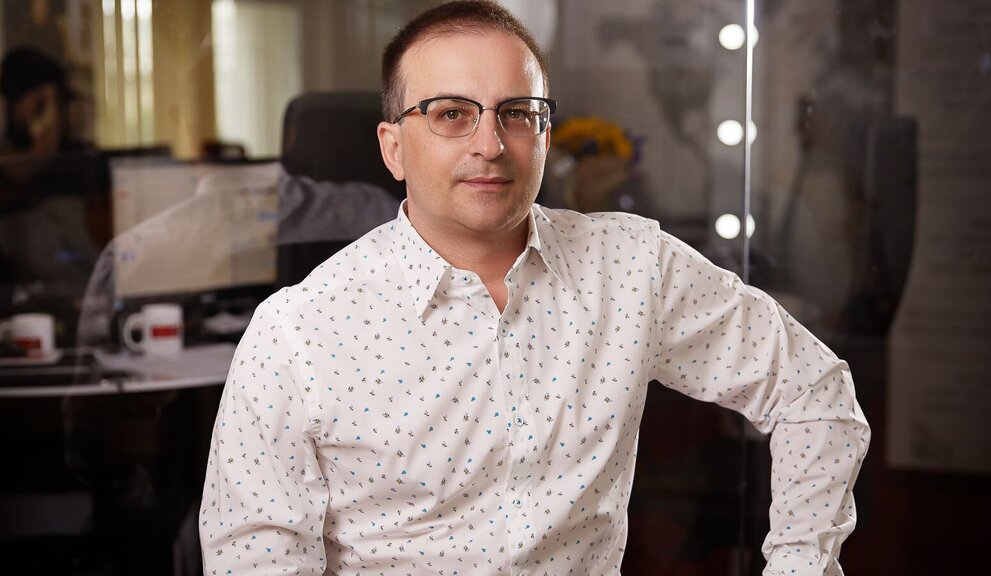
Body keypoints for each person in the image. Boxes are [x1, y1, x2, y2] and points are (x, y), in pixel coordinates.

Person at [199, 2, 870, 575]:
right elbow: (253, 559)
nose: (490, 144)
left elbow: (812, 390)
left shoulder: (631, 269)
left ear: (546, 134)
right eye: (451, 114)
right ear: (393, 147)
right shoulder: (297, 333)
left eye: (517, 113)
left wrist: (800, 563)